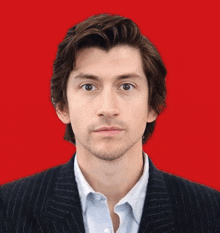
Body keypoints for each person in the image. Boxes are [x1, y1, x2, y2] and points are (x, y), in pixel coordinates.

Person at [0, 13, 220, 233]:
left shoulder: (211, 211)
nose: (107, 108)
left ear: (153, 106)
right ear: (62, 107)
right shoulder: (7, 208)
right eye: (88, 86)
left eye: (126, 86)